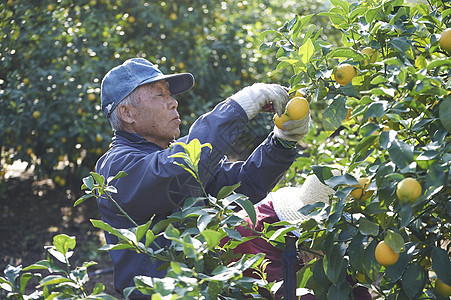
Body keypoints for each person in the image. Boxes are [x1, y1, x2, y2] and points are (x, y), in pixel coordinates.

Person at [96, 57, 310, 299]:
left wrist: (282, 141)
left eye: (171, 95)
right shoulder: (117, 167)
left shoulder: (173, 157)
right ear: (127, 113)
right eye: (160, 95)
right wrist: (237, 108)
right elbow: (174, 173)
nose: (173, 103)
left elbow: (245, 183)